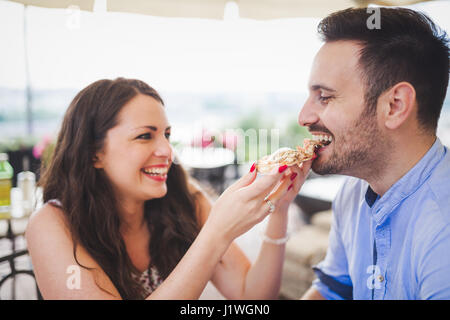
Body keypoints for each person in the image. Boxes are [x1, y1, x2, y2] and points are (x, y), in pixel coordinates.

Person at [25, 78, 311, 300]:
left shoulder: (185, 198)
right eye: (144, 136)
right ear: (93, 153)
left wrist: (280, 210)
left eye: (167, 135)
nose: (167, 151)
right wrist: (216, 233)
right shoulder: (52, 224)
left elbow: (252, 296)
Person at [298, 7, 450, 300]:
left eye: (325, 97)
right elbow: (333, 290)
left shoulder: (442, 231)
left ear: (394, 106)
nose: (303, 117)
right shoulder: (353, 191)